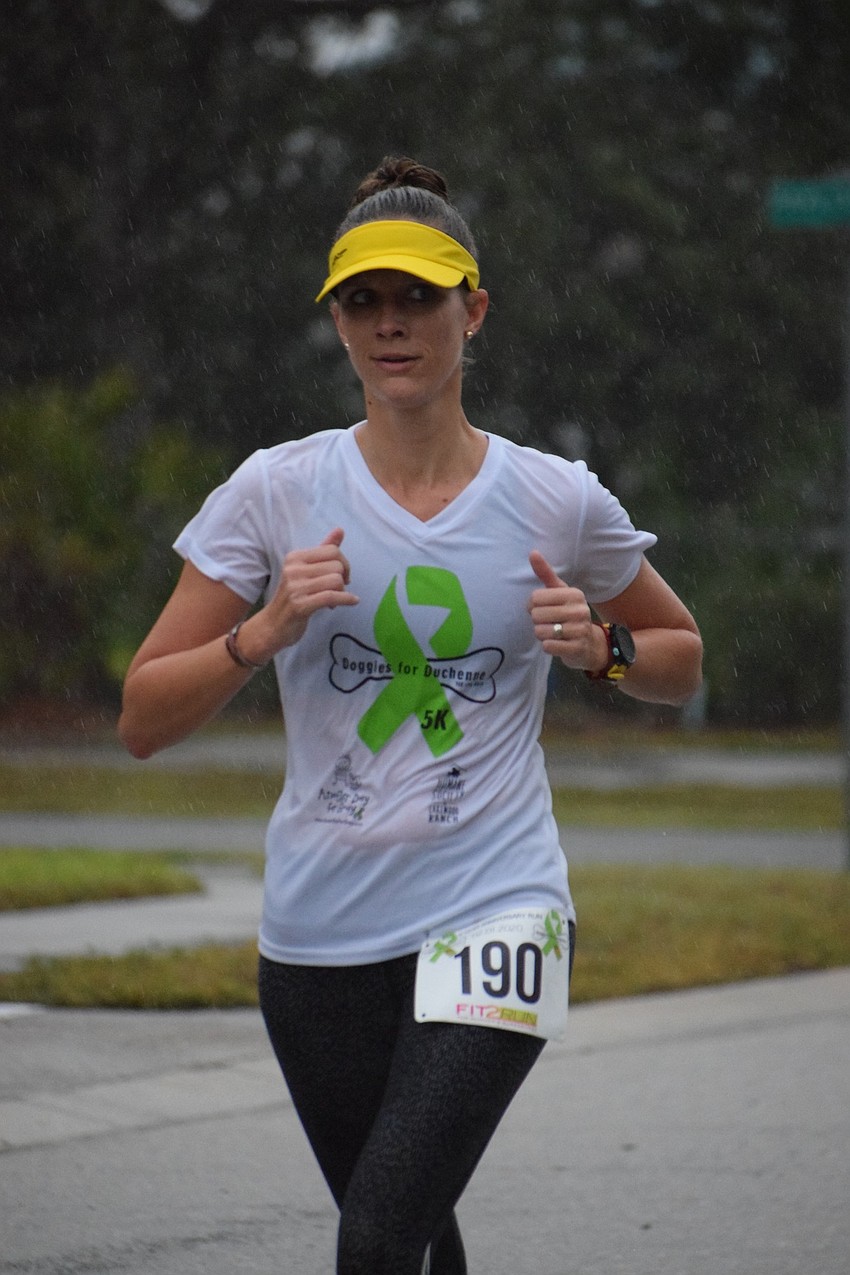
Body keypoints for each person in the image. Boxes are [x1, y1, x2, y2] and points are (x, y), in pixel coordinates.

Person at [119, 155, 703, 1275]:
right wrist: (260, 632)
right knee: (412, 1232)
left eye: (418, 297)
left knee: (379, 1234)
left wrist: (605, 649)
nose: (390, 323)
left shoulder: (554, 496)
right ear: (338, 323)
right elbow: (143, 717)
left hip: (496, 904)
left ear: (472, 310)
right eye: (363, 301)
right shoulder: (275, 491)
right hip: (319, 928)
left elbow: (680, 658)